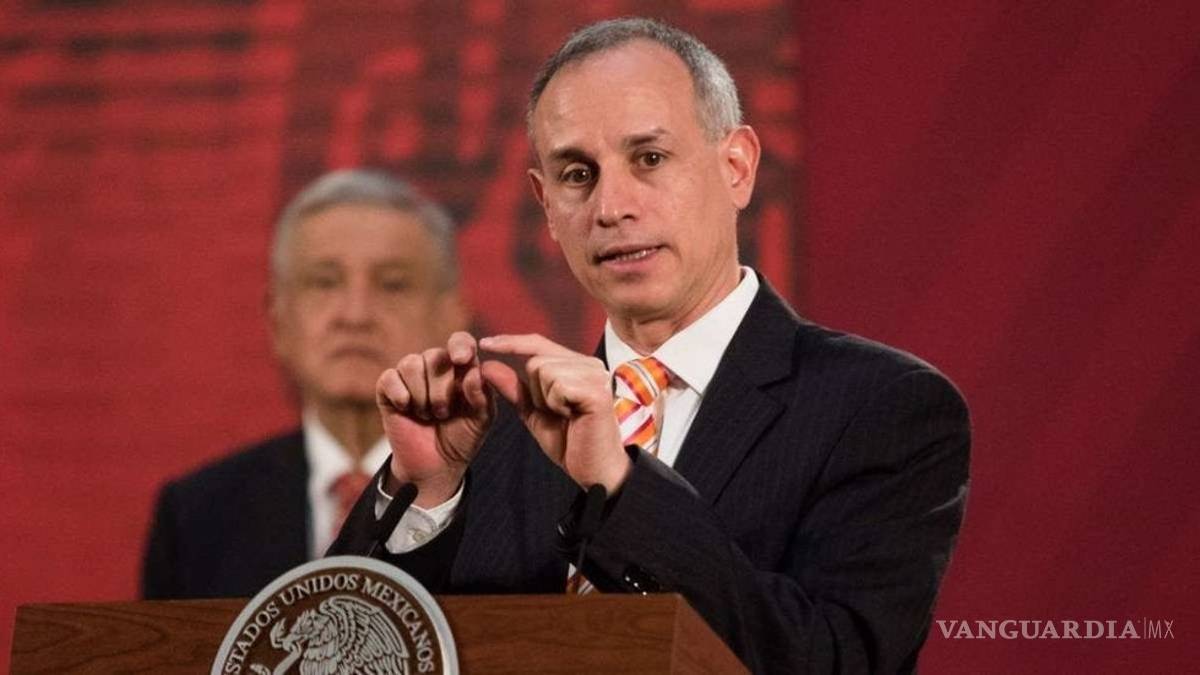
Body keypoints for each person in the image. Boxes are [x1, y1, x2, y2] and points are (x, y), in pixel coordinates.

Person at [331, 18, 970, 674]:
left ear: (737, 167)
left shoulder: (882, 407)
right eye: (577, 174)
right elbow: (321, 646)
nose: (611, 206)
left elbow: (838, 661)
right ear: (545, 204)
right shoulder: (490, 435)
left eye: (650, 159)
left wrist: (619, 487)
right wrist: (427, 492)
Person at [141, 169, 468, 599]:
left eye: (393, 285)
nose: (355, 315)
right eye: (324, 283)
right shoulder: (197, 515)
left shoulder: (516, 503)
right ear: (278, 320)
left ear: (451, 317)